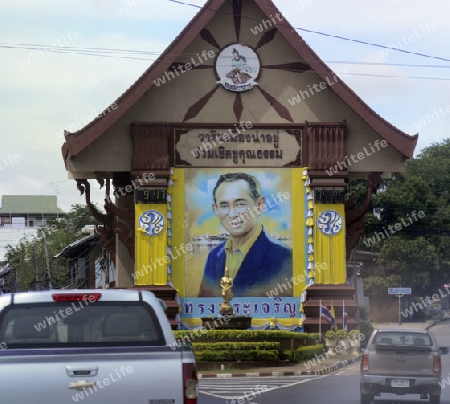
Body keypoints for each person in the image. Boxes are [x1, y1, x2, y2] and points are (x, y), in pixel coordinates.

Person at [198, 172, 292, 297]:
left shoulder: (283, 257)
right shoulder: (214, 256)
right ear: (216, 210)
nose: (232, 214)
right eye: (224, 205)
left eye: (240, 204)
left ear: (259, 206)